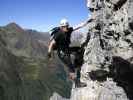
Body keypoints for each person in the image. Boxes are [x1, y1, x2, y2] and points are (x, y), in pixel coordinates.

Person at [48, 18, 92, 87]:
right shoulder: (59, 34)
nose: (66, 28)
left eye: (67, 26)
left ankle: (76, 63)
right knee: (71, 68)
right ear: (61, 27)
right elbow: (51, 44)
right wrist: (49, 54)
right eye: (65, 26)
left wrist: (86, 22)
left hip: (67, 49)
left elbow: (77, 26)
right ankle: (77, 83)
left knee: (79, 49)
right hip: (62, 53)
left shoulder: (68, 30)